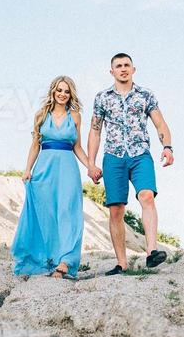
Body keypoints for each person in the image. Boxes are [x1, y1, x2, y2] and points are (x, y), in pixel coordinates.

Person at [87, 53, 174, 275]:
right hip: (113, 157)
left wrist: (167, 147)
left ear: (133, 69)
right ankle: (121, 263)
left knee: (147, 196)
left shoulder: (146, 95)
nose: (123, 69)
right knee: (116, 209)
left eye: (127, 65)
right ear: (112, 71)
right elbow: (95, 131)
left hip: (140, 154)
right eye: (118, 66)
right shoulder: (102, 98)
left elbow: (160, 123)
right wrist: (91, 163)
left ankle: (152, 251)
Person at [11, 75, 101, 280]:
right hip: (44, 168)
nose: (62, 94)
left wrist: (91, 167)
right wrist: (27, 169)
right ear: (53, 91)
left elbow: (77, 147)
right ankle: (46, 260)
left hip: (68, 168)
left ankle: (65, 262)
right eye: (59, 90)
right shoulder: (41, 115)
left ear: (71, 95)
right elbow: (35, 145)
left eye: (66, 91)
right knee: (46, 213)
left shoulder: (75, 116)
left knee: (68, 212)